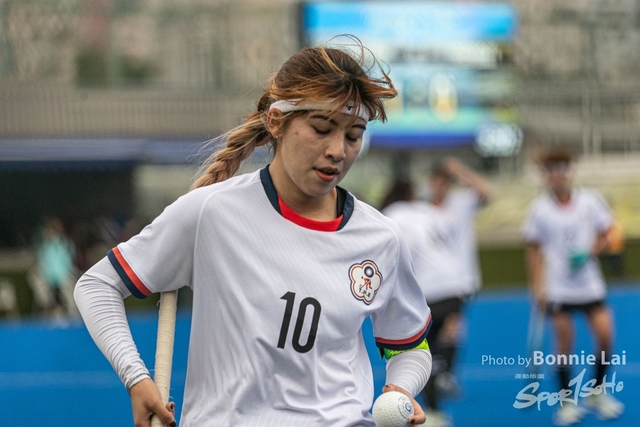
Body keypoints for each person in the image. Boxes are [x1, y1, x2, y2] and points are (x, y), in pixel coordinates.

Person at [74, 39, 433, 427]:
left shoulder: (382, 238)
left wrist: (401, 388)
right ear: (277, 122)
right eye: (321, 128)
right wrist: (136, 379)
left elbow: (408, 347)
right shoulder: (212, 212)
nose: (338, 150)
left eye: (353, 135)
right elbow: (97, 286)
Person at [522, 149, 624, 425]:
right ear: (545, 176)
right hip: (558, 288)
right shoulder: (539, 210)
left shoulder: (590, 201)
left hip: (590, 284)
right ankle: (566, 402)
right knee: (564, 344)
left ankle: (597, 392)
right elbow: (533, 250)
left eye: (561, 168)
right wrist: (536, 287)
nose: (557, 175)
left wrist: (590, 251)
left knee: (605, 336)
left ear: (569, 172)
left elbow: (609, 233)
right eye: (551, 170)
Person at [380, 177, 467, 427]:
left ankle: (434, 408)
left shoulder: (391, 215)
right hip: (454, 281)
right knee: (442, 338)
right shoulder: (426, 210)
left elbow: (399, 251)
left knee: (422, 349)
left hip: (428, 287)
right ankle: (444, 372)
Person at [35, 217, 76, 316]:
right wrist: (47, 277)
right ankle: (49, 313)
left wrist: (65, 276)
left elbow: (69, 261)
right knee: (44, 292)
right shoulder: (44, 247)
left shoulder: (65, 244)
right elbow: (42, 264)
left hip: (64, 277)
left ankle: (73, 314)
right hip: (48, 280)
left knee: (69, 290)